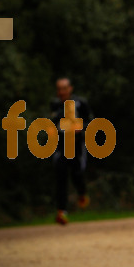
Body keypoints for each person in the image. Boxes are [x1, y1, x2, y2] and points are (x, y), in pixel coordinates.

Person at [50, 77, 93, 225]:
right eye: (59, 89)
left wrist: (80, 128)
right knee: (60, 177)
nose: (61, 92)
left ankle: (82, 192)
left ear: (70, 88)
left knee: (77, 174)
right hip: (61, 147)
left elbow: (91, 122)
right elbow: (51, 124)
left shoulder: (80, 103)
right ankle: (61, 212)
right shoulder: (55, 105)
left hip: (77, 146)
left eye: (64, 88)